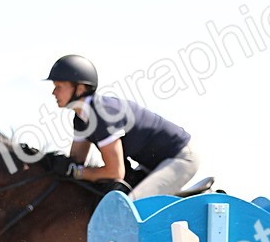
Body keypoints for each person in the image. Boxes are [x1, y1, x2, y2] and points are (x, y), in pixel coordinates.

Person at [45, 54, 200, 199]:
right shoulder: (81, 119)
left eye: (59, 86)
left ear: (80, 88)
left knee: (128, 207)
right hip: (154, 163)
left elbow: (114, 172)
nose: (53, 92)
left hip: (180, 158)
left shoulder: (102, 114)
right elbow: (76, 161)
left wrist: (76, 172)